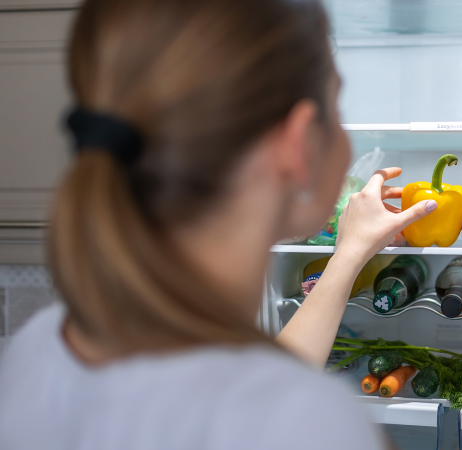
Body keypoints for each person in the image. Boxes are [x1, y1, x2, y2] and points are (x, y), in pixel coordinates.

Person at [0, 0, 438, 448]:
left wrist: (348, 254)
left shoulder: (38, 348)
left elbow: (258, 386)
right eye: (335, 103)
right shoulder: (316, 423)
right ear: (301, 142)